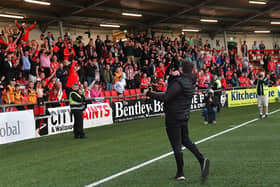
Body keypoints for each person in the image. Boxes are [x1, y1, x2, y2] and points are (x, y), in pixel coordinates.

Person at [145, 61, 209, 181]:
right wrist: (173, 78)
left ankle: (181, 172)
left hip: (174, 117)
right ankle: (201, 160)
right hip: (184, 115)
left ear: (181, 69)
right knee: (185, 140)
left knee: (177, 145)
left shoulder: (179, 82)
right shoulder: (190, 81)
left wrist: (149, 93)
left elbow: (166, 97)